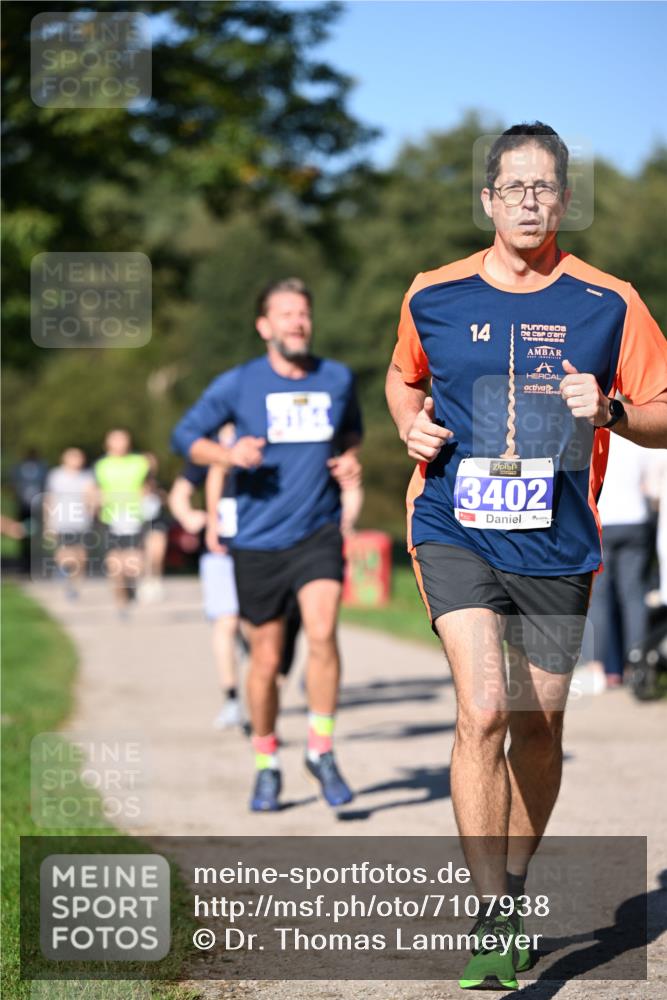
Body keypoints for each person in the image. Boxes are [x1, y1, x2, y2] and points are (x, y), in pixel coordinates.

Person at [385, 122, 667, 991]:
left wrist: (612, 412)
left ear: (565, 200)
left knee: (537, 726)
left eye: (545, 187)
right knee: (482, 711)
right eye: (513, 187)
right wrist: (408, 424)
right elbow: (402, 377)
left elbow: (664, 409)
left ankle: (511, 882)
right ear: (487, 199)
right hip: (454, 526)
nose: (529, 201)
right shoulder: (432, 294)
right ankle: (492, 913)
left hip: (556, 542)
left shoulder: (609, 302)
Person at [172, 277, 363, 812]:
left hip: (317, 529)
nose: (297, 322)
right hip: (256, 540)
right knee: (266, 657)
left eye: (303, 313)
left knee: (323, 632)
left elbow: (350, 434)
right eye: (286, 314)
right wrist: (227, 456)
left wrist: (350, 460)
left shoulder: (337, 378)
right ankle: (266, 762)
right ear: (264, 326)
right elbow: (184, 438)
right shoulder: (239, 383)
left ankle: (321, 750)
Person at [581, 430, 656, 687]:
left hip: (602, 521)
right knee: (634, 597)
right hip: (635, 520)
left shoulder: (594, 437)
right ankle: (637, 666)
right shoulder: (637, 436)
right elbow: (650, 485)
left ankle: (599, 668)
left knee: (599, 598)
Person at [91, 429, 150, 618]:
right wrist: (94, 505)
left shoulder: (140, 462)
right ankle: (121, 602)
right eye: (115, 440)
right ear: (107, 444)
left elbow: (147, 486)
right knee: (114, 564)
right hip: (110, 517)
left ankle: (131, 587)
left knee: (133, 564)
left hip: (134, 516)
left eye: (123, 439)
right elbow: (94, 489)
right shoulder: (101, 465)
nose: (120, 443)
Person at [42, 447, 95, 599]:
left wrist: (92, 509)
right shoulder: (56, 476)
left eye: (79, 457)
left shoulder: (87, 476)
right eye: (72, 457)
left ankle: (74, 584)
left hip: (82, 521)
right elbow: (49, 498)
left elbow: (92, 498)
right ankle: (63, 572)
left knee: (81, 556)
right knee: (65, 553)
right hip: (62, 520)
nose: (76, 460)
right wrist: (48, 522)